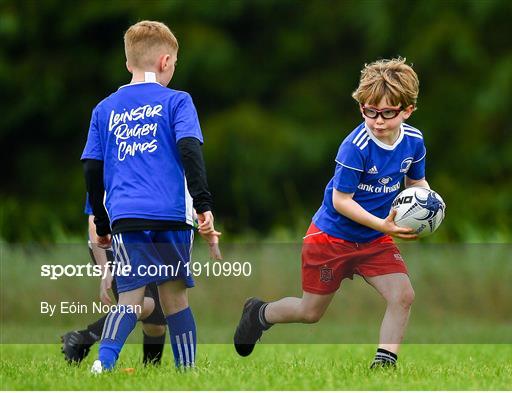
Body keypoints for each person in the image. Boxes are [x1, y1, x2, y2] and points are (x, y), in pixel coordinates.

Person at [234, 57, 429, 369]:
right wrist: (385, 224)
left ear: (407, 110)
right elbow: (342, 201)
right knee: (310, 313)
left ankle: (384, 365)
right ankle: (259, 312)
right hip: (331, 239)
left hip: (374, 240)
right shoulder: (356, 146)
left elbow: (416, 182)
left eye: (387, 113)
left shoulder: (414, 141)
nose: (377, 121)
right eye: (369, 111)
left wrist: (427, 205)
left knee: (403, 295)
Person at [81, 20, 221, 373]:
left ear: (128, 63)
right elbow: (190, 150)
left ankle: (103, 364)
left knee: (130, 297)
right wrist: (203, 205)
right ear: (164, 62)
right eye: (174, 63)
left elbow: (91, 169)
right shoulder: (178, 101)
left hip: (127, 216)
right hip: (171, 215)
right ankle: (187, 371)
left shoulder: (104, 109)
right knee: (176, 298)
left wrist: (101, 219)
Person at [61, 198, 166, 366]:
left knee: (157, 322)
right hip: (110, 249)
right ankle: (86, 338)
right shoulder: (106, 174)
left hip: (144, 249)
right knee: (144, 304)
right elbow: (93, 224)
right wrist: (105, 271)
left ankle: (151, 369)